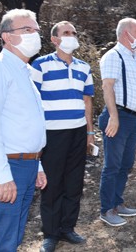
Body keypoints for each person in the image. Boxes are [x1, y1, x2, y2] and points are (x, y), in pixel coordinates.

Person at [0, 9, 48, 251]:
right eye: (26, 30)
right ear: (7, 36)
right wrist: (2, 176)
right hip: (5, 166)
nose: (34, 34)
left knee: (12, 238)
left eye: (35, 29)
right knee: (2, 241)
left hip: (26, 165)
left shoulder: (25, 71)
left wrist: (37, 164)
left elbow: (23, 123)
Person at [31, 21, 94, 252]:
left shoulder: (84, 67)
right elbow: (32, 101)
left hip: (78, 132)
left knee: (74, 183)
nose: (72, 36)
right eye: (66, 33)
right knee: (52, 183)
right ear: (54, 39)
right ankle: (50, 234)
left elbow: (87, 101)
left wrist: (89, 132)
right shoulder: (40, 65)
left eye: (74, 32)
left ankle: (68, 228)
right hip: (52, 133)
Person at [98, 18, 136, 226]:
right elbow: (107, 87)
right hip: (119, 117)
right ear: (125, 33)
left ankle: (117, 203)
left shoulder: (134, 57)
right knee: (112, 166)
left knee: (125, 164)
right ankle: (106, 210)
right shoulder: (113, 55)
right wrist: (113, 117)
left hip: (133, 119)